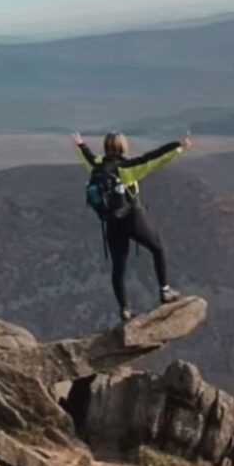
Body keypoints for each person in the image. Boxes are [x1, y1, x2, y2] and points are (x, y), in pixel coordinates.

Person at [71, 130, 192, 322]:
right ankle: (165, 291)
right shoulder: (126, 168)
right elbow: (155, 158)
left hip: (111, 222)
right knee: (157, 247)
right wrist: (178, 147)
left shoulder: (97, 166)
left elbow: (88, 157)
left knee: (119, 267)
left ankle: (125, 310)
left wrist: (80, 145)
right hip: (132, 217)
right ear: (122, 147)